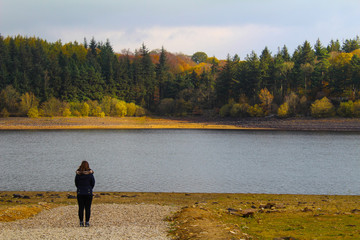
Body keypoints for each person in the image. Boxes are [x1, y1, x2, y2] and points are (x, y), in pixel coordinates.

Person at [75, 160, 95, 227]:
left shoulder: (78, 174)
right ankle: (87, 222)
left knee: (81, 208)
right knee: (88, 208)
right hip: (88, 192)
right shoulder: (90, 174)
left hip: (80, 192)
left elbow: (76, 183)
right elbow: (93, 183)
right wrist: (89, 188)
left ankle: (81, 222)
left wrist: (80, 188)